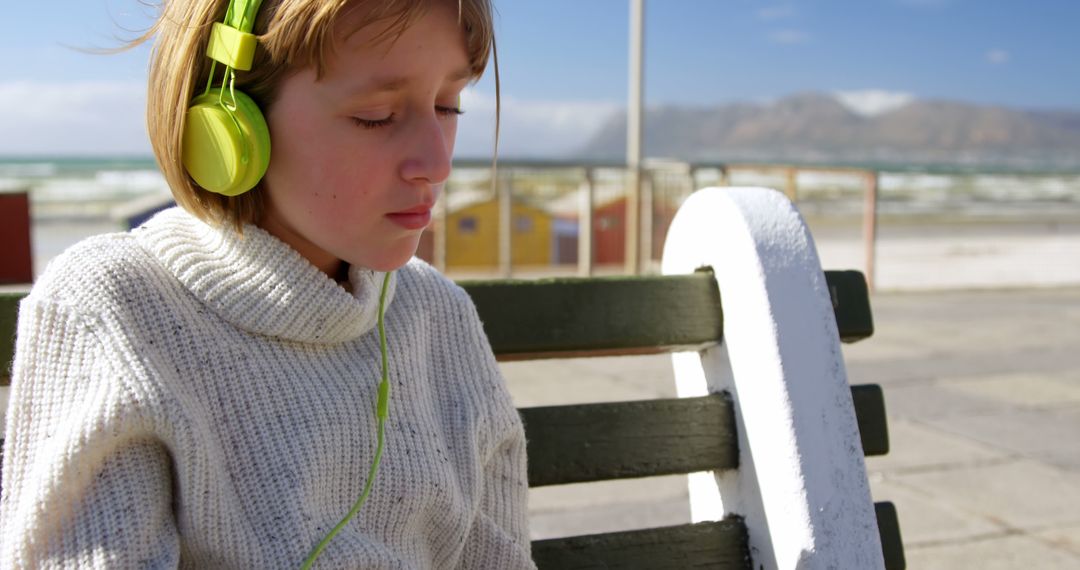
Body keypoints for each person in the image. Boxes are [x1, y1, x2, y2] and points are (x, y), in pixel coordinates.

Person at [0, 0, 536, 568]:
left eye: (448, 106)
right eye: (376, 115)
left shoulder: (440, 317)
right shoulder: (112, 310)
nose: (437, 161)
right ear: (228, 123)